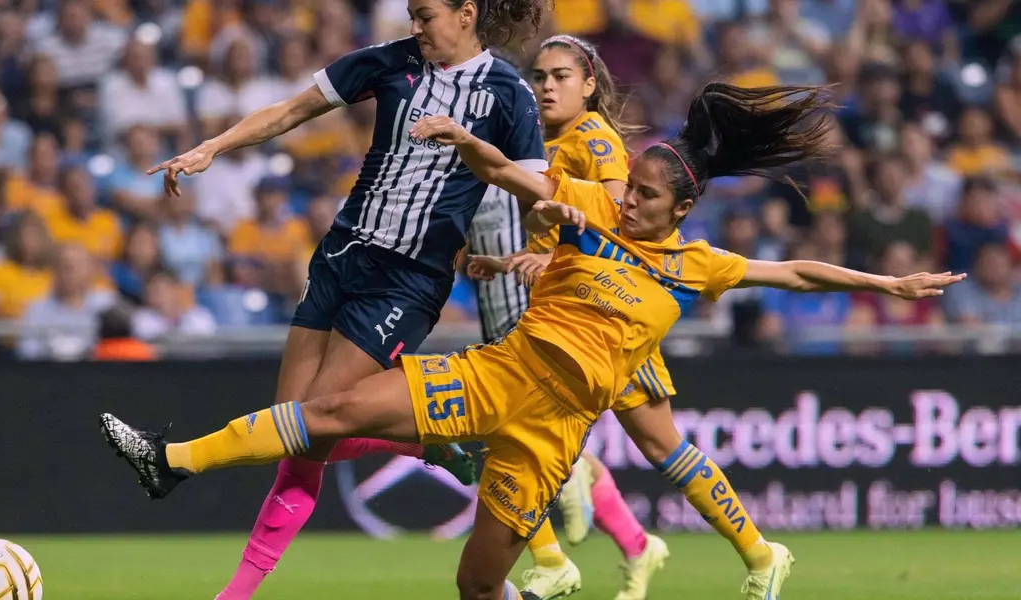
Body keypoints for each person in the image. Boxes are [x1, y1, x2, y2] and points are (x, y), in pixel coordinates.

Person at [103, 82, 965, 600]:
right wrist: (464, 140)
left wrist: (889, 284)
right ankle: (171, 462)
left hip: (553, 436)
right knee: (326, 410)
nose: (628, 203)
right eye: (629, 192)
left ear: (681, 211)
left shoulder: (697, 265)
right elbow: (515, 175)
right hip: (494, 375)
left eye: (647, 200)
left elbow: (800, 275)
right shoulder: (596, 206)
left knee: (477, 583)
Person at [144, 1, 546, 598]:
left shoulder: (508, 92)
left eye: (427, 14)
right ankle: (425, 442)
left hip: (407, 279)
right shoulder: (392, 63)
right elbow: (291, 109)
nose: (416, 26)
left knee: (309, 428)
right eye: (411, 13)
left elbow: (539, 188)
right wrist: (213, 147)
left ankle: (208, 536)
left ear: (466, 13)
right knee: (293, 436)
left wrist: (471, 150)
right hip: (340, 254)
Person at [463, 36, 669, 600]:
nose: (543, 87)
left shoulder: (591, 139)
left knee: (651, 448)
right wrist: (503, 260)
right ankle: (633, 543)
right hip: (523, 301)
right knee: (531, 439)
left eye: (556, 77)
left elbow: (612, 218)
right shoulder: (524, 142)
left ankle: (555, 559)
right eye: (537, 78)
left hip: (579, 308)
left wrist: (548, 256)